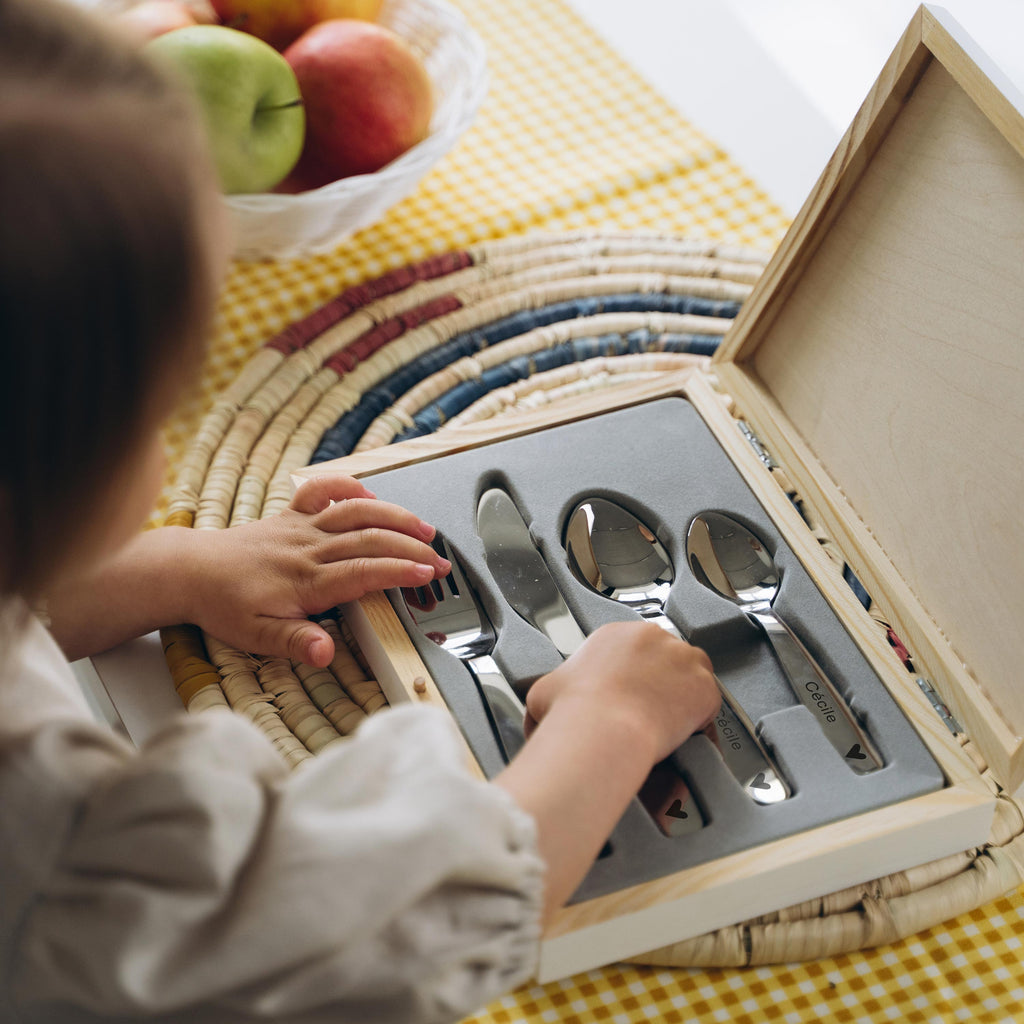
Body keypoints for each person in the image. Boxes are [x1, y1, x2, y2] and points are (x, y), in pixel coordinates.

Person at [0, 0, 720, 1020]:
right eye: (161, 408)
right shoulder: (60, 850)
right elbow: (389, 923)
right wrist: (611, 720)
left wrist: (168, 570)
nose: (166, 446)